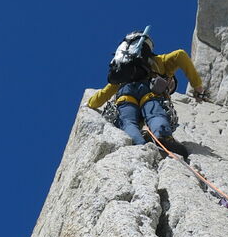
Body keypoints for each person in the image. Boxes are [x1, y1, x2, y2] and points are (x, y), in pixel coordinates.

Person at [88, 28, 206, 158]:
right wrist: (198, 87)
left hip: (125, 95)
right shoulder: (160, 61)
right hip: (150, 94)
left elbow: (101, 96)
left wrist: (90, 103)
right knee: (155, 114)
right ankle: (163, 137)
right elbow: (180, 54)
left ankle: (138, 144)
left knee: (127, 122)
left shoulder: (125, 72)